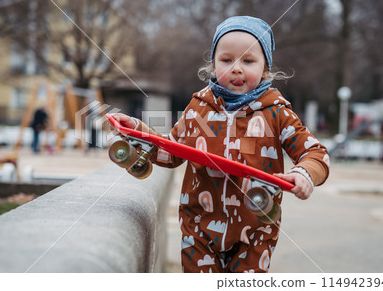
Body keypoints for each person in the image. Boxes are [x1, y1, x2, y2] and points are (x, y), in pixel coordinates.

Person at [111, 16, 330, 273]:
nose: (237, 68)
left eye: (248, 61)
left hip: (256, 230)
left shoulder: (277, 113)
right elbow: (171, 152)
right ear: (214, 66)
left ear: (265, 68)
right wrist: (138, 132)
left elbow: (316, 153)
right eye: (227, 60)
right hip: (199, 228)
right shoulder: (198, 108)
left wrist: (304, 173)